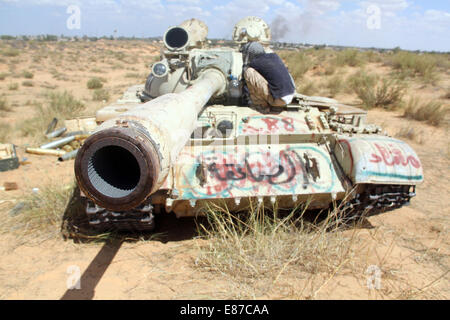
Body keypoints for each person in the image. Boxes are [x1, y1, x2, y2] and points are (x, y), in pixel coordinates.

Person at [241, 42, 296, 108]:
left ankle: (259, 103)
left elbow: (245, 82)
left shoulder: (255, 62)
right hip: (291, 96)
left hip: (278, 101)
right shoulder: (274, 56)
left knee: (248, 72)